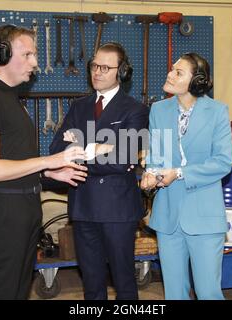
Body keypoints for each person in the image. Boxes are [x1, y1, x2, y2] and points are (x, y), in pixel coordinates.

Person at [0, 25, 87, 300]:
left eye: (35, 54)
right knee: (5, 290)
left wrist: (51, 173)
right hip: (5, 212)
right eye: (28, 54)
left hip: (24, 206)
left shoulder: (9, 97)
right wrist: (49, 159)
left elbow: (16, 163)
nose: (34, 63)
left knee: (19, 290)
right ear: (2, 54)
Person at [49, 42, 149, 300]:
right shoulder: (78, 106)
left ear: (122, 72)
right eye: (95, 66)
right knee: (92, 282)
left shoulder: (135, 110)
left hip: (118, 210)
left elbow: (123, 158)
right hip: (83, 207)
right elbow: (57, 150)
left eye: (106, 67)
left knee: (123, 280)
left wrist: (80, 145)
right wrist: (100, 147)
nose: (97, 72)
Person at [141, 53, 232, 300]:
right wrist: (151, 173)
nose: (170, 74)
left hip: (204, 217)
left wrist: (179, 173)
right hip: (168, 216)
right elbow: (157, 155)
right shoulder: (159, 110)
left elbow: (223, 163)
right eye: (172, 69)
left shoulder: (217, 112)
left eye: (178, 72)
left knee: (207, 292)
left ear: (197, 81)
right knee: (174, 293)